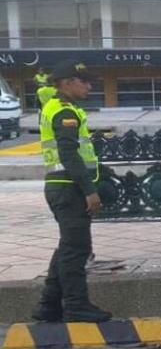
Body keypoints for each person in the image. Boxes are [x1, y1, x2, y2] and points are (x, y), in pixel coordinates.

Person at [33, 59, 110, 323]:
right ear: (66, 84)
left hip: (62, 186)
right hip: (69, 189)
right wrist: (89, 190)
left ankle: (48, 306)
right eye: (83, 81)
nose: (89, 86)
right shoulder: (65, 111)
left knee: (68, 247)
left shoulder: (59, 107)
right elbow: (68, 153)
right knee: (77, 249)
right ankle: (77, 307)